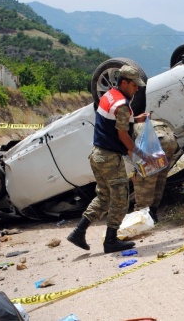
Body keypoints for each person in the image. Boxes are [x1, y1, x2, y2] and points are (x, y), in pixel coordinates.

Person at [67, 65, 149, 254]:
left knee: (104, 197)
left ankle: (78, 232)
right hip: (110, 158)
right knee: (120, 199)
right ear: (124, 82)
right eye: (134, 85)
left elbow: (111, 124)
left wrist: (134, 120)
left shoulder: (110, 95)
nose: (137, 89)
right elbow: (122, 135)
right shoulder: (122, 106)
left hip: (97, 155)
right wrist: (138, 153)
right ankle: (110, 241)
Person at [132, 119, 178, 223]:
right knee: (160, 177)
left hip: (158, 140)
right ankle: (153, 212)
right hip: (171, 139)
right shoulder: (149, 122)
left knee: (145, 179)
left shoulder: (127, 127)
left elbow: (131, 150)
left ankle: (142, 216)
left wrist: (135, 171)